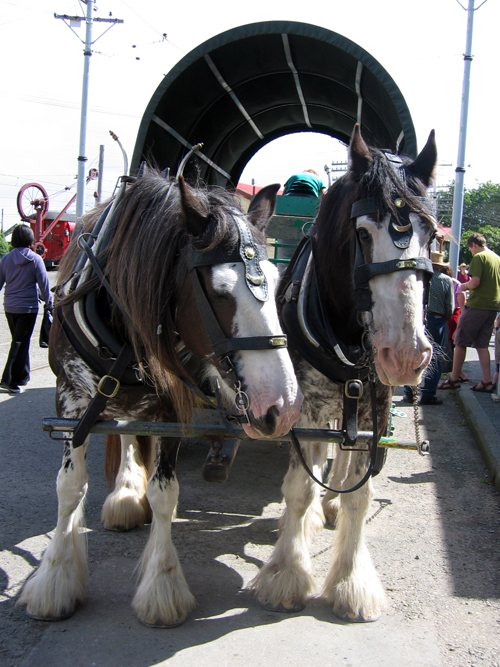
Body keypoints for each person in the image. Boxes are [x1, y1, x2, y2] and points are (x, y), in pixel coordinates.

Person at [440, 233, 500, 393]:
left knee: (460, 341)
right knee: (482, 344)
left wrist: (463, 287)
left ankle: (453, 379)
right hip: (493, 306)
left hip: (477, 305)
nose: (472, 253)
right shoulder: (496, 258)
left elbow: (475, 283)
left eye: (470, 250)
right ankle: (487, 381)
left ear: (473, 245)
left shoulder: (480, 257)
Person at [0, 224, 52, 393]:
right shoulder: (35, 259)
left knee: (20, 341)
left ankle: (23, 375)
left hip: (9, 306)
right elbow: (44, 285)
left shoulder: (5, 259)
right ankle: (9, 380)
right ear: (30, 239)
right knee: (20, 343)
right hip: (28, 308)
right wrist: (50, 303)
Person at [404, 251, 454, 405]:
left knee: (412, 354)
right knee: (434, 358)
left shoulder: (418, 277)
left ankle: (409, 392)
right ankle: (428, 394)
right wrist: (442, 318)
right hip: (436, 319)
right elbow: (450, 307)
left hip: (416, 317)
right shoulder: (446, 280)